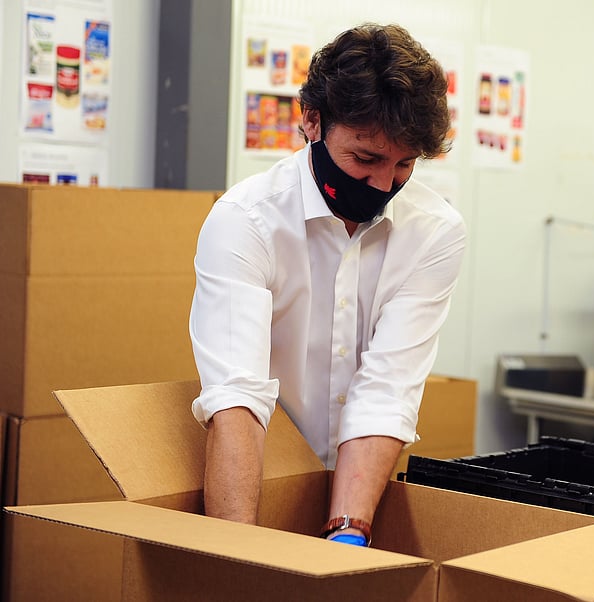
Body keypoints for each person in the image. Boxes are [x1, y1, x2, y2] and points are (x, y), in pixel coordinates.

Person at [189, 23, 466, 547]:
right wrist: (233, 555)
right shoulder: (246, 222)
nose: (383, 185)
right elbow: (236, 398)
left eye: (404, 164)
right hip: (261, 476)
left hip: (363, 484)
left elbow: (387, 388)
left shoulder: (435, 231)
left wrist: (348, 528)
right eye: (365, 159)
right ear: (312, 120)